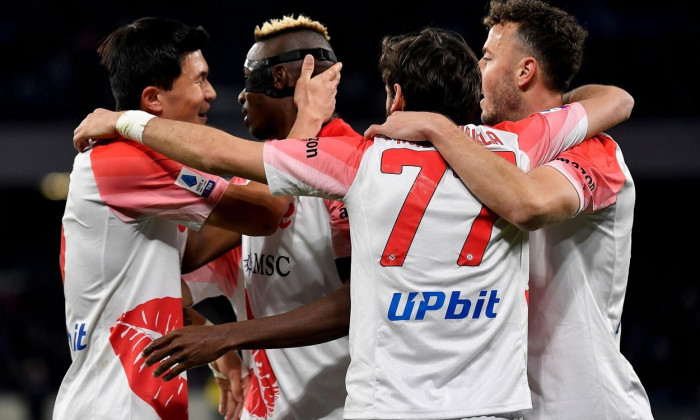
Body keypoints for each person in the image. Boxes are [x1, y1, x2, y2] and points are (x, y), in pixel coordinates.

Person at [73, 27, 632, 419]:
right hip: (488, 405)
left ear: (395, 96)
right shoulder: (517, 147)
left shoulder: (356, 159)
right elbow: (615, 99)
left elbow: (223, 155)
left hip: (375, 405)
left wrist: (126, 121)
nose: (231, 94)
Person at [364, 1, 654, 419]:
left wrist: (436, 126)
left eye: (486, 57)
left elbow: (529, 203)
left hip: (587, 404)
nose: (477, 70)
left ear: (525, 72)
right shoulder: (478, 147)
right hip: (506, 405)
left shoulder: (594, 148)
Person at [54, 16, 331, 419]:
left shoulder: (142, 168)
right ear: (153, 100)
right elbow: (267, 212)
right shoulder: (124, 160)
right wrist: (308, 118)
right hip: (114, 407)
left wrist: (219, 347)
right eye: (199, 81)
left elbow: (187, 256)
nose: (212, 94)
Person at [181, 14, 356, 420]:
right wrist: (222, 354)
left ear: (279, 77)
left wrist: (229, 336)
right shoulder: (252, 178)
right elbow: (186, 263)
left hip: (344, 410)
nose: (240, 96)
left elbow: (361, 304)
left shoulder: (352, 169)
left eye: (248, 80)